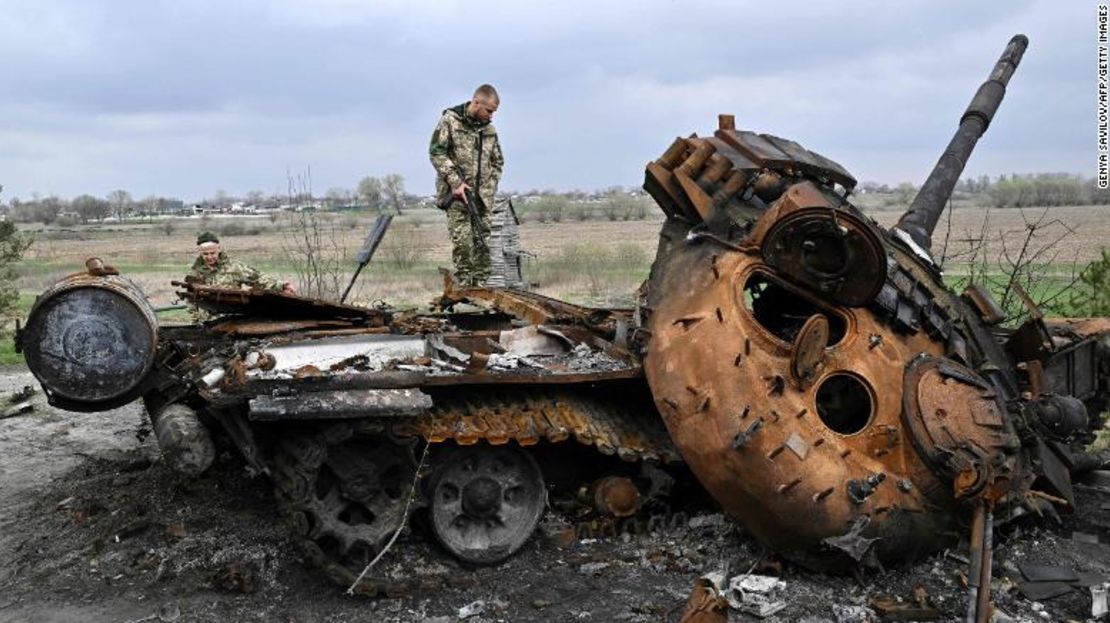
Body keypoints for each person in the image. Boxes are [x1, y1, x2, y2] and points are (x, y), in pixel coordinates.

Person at [429, 84, 504, 286]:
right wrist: (455, 182)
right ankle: (464, 286)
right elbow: (436, 152)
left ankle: (481, 288)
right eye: (489, 111)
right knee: (463, 244)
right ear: (476, 102)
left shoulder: (489, 130)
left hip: (482, 199)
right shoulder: (450, 121)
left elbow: (498, 162)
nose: (491, 116)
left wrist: (490, 187)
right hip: (457, 197)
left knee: (483, 244)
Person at [186, 231, 294, 321]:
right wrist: (195, 322)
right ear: (200, 252)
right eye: (205, 254)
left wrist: (281, 286)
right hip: (206, 324)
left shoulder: (234, 267)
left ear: (219, 249)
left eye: (212, 253)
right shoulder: (194, 273)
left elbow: (258, 278)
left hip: (230, 321)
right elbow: (191, 301)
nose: (210, 257)